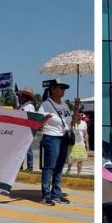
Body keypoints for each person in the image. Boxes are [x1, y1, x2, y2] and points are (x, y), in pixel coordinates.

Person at [37, 78, 79, 206]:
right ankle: (46, 195)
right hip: (51, 137)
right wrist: (44, 119)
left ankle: (56, 194)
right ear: (52, 89)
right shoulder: (46, 104)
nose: (63, 90)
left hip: (64, 138)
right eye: (60, 88)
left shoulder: (65, 105)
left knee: (59, 167)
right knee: (49, 167)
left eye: (64, 88)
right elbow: (38, 124)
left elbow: (73, 123)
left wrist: (76, 108)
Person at [17, 87, 37, 171]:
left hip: (26, 130)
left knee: (27, 149)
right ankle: (20, 166)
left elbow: (31, 118)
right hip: (21, 129)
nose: (21, 97)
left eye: (22, 96)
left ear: (27, 97)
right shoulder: (23, 105)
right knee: (21, 149)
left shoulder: (29, 106)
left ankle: (30, 167)